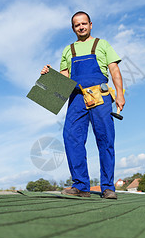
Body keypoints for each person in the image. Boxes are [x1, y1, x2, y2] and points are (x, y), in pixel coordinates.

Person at [41, 11, 125, 199]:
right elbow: (64, 78)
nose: (81, 27)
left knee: (105, 139)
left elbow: (114, 69)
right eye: (77, 25)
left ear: (90, 24)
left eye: (84, 23)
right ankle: (81, 186)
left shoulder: (102, 44)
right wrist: (49, 74)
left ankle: (108, 187)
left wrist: (120, 94)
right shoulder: (68, 50)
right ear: (73, 28)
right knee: (71, 137)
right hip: (76, 97)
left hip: (100, 96)